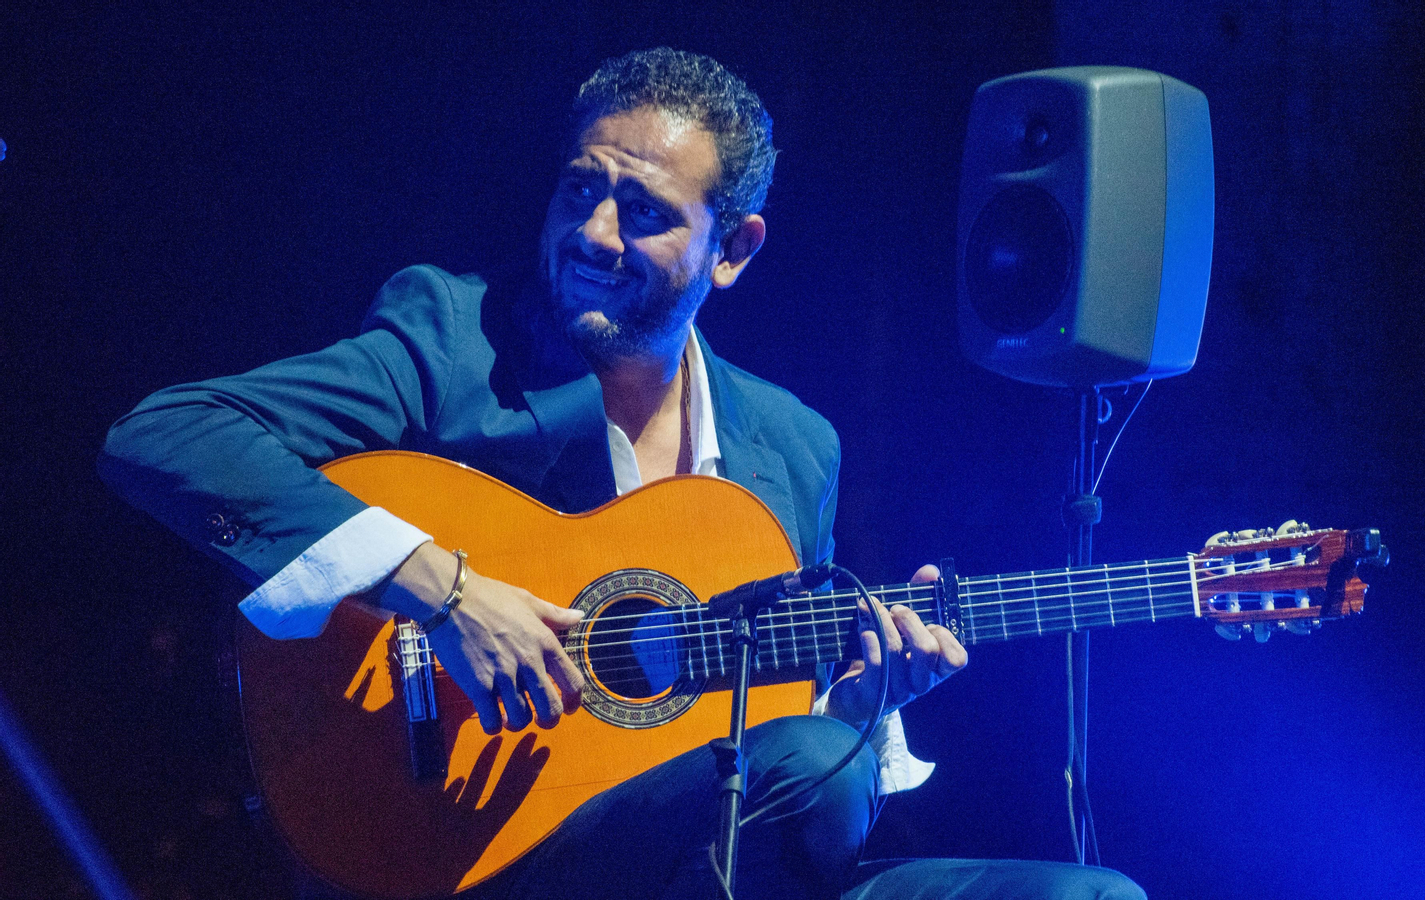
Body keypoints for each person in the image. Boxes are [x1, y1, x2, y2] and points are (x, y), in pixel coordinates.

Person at [100, 48, 1144, 900]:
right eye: (580, 190)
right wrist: (441, 588)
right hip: (480, 847)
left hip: (708, 854)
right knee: (794, 768)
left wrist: (866, 703)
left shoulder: (794, 445)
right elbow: (168, 435)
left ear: (733, 249)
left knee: (1088, 893)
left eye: (643, 211)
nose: (592, 234)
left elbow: (797, 759)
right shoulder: (455, 339)